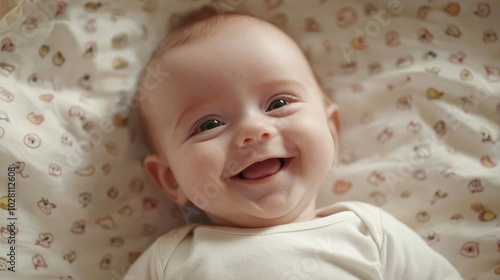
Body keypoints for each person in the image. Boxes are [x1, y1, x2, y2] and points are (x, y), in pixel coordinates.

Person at [125, 5, 462, 280]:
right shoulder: (170, 261)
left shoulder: (370, 234)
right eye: (209, 124)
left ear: (330, 129)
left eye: (278, 104)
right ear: (170, 179)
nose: (254, 130)